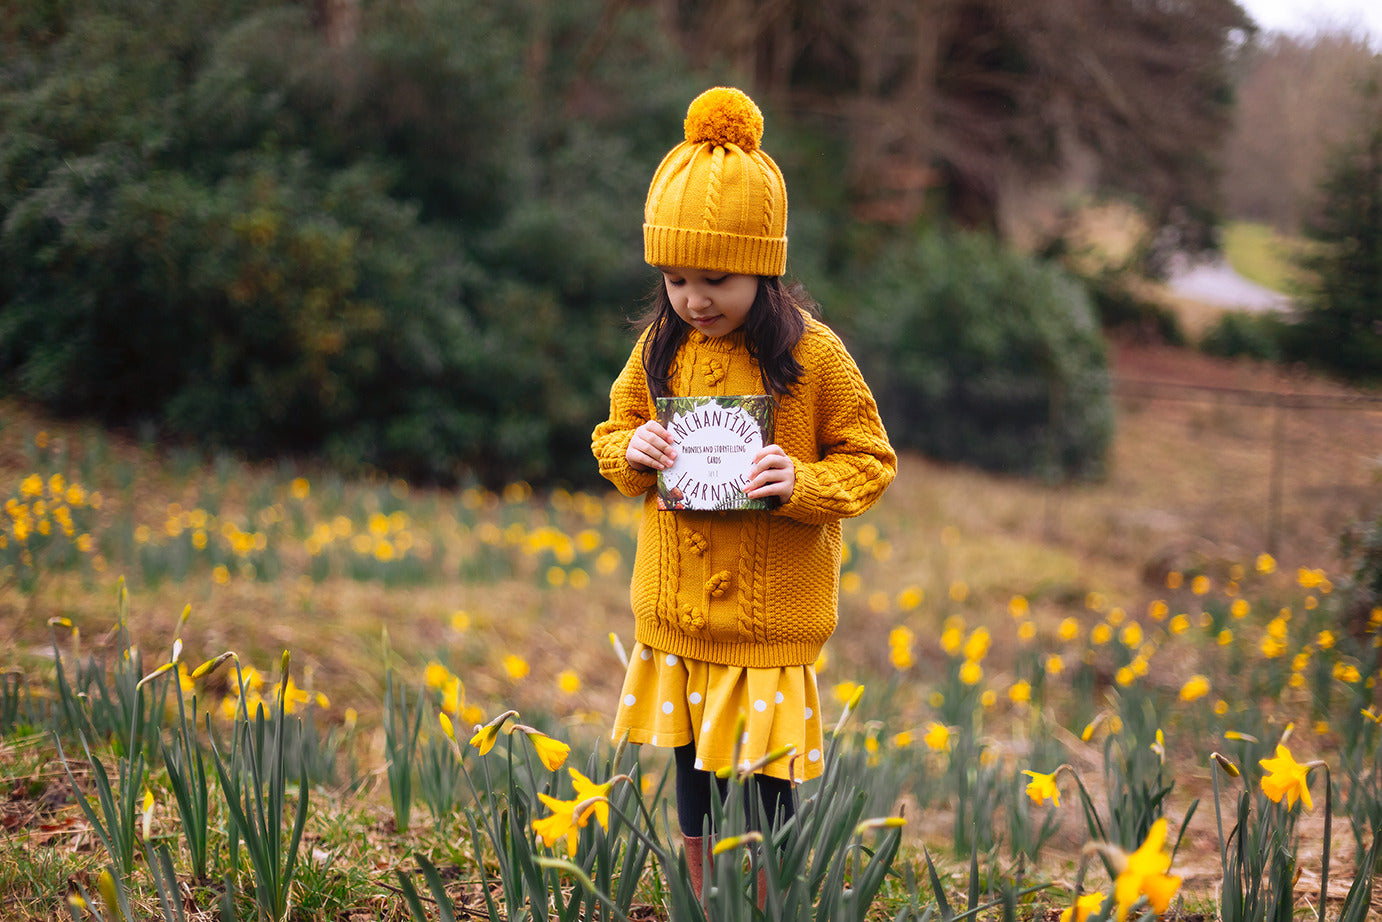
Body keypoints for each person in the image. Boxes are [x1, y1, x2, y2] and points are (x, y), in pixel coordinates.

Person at [590, 86, 896, 897]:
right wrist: (638, 450)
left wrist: (802, 482)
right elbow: (609, 437)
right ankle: (702, 899)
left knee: (764, 777)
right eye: (677, 278)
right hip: (680, 614)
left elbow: (871, 458)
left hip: (767, 623)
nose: (694, 299)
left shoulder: (816, 358)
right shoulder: (661, 348)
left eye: (716, 279)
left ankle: (772, 898)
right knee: (694, 770)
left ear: (764, 265)